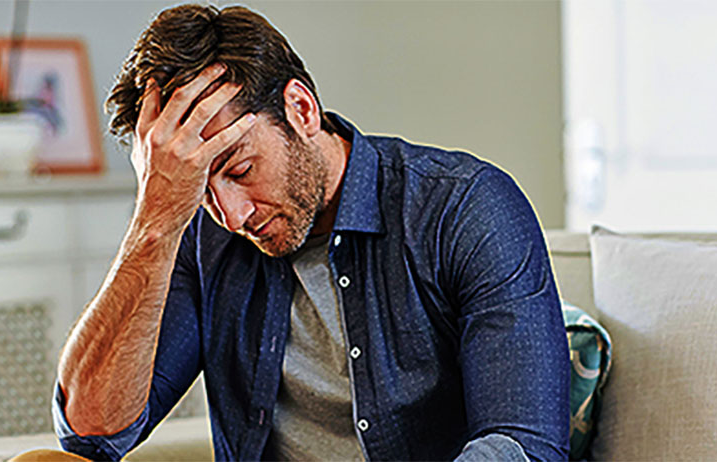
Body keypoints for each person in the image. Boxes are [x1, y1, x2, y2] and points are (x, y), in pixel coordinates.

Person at [53, 4, 570, 461]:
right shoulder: (197, 233)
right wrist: (155, 221)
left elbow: (524, 444)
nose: (231, 216)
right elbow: (92, 436)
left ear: (301, 110)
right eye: (199, 189)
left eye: (239, 169)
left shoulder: (464, 207)